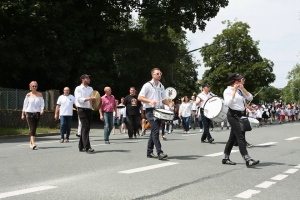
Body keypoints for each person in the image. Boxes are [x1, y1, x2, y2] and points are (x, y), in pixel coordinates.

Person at [222, 73, 259, 167]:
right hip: (233, 115)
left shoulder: (240, 90)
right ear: (234, 81)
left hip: (241, 115)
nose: (241, 81)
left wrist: (243, 89)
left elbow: (250, 97)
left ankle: (225, 158)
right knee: (241, 137)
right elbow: (228, 103)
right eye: (239, 80)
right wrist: (234, 91)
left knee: (232, 138)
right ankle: (247, 159)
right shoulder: (227, 91)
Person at [138, 68, 169, 160]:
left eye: (160, 73)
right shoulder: (147, 85)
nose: (159, 75)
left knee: (153, 131)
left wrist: (169, 103)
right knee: (155, 130)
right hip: (150, 110)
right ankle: (160, 152)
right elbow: (140, 97)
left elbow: (163, 99)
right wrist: (150, 101)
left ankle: (149, 152)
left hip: (159, 110)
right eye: (157, 73)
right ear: (153, 75)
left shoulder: (161, 85)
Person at [74, 74, 95, 153]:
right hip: (81, 109)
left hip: (89, 109)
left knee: (86, 127)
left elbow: (93, 97)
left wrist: (94, 99)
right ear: (83, 79)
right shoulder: (78, 88)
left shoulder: (90, 88)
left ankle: (81, 145)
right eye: (87, 78)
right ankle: (87, 147)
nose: (89, 79)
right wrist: (88, 98)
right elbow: (79, 99)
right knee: (85, 126)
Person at [21, 81, 45, 150]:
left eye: (35, 86)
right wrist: (22, 114)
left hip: (37, 113)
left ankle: (31, 143)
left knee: (34, 127)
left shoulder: (40, 95)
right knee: (32, 128)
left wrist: (42, 109)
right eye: (33, 86)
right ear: (30, 87)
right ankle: (33, 143)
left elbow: (42, 103)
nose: (34, 87)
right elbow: (24, 105)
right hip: (29, 113)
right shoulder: (28, 95)